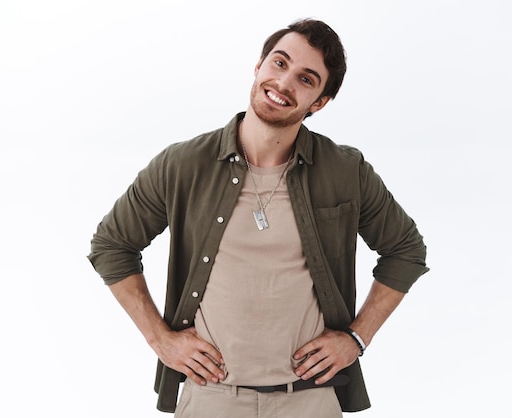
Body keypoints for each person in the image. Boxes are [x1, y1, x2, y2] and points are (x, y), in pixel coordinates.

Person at [88, 18, 428, 417]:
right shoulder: (183, 165)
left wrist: (356, 338)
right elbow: (111, 246)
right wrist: (161, 340)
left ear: (319, 102)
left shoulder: (345, 170)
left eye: (306, 79)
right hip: (211, 397)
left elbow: (406, 250)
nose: (284, 84)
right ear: (259, 66)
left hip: (310, 399)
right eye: (279, 63)